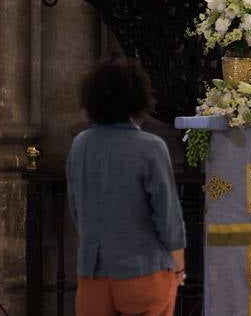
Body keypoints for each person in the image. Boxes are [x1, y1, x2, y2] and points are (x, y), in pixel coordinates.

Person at [66, 55, 186, 316]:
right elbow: (167, 216)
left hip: (94, 272)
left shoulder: (81, 145)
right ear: (139, 97)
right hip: (143, 271)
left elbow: (77, 207)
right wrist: (178, 266)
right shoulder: (151, 147)